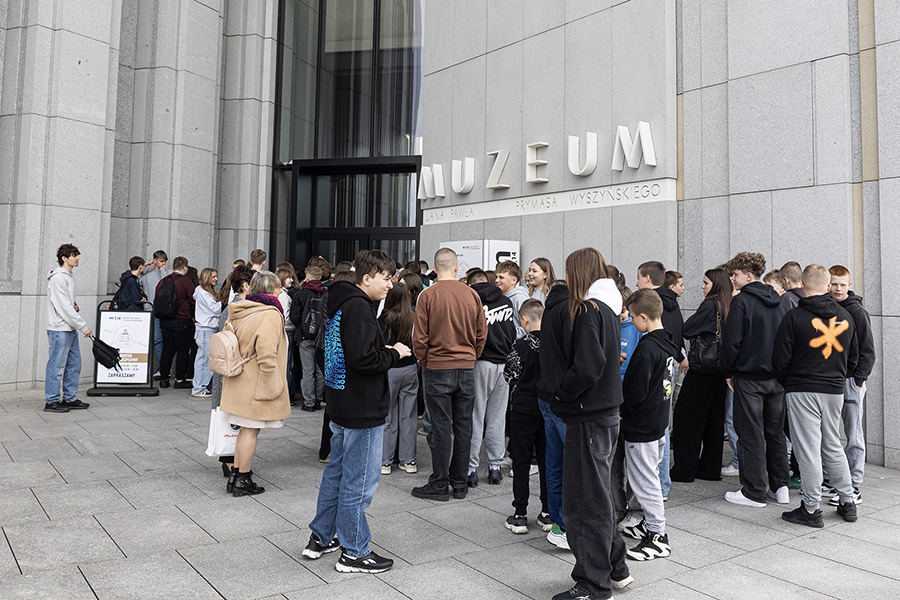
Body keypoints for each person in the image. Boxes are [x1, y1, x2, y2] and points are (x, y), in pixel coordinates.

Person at [304, 250, 410, 574]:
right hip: (361, 408)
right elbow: (364, 359)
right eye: (386, 278)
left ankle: (321, 537)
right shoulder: (360, 308)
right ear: (367, 278)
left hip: (341, 404)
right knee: (358, 481)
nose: (390, 285)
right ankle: (354, 551)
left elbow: (337, 352)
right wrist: (394, 353)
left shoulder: (338, 301)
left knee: (337, 474)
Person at [551, 248, 632, 600]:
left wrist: (561, 392)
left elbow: (588, 366)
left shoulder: (587, 309)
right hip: (605, 412)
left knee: (585, 502)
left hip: (589, 414)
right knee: (598, 495)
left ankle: (592, 583)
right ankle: (616, 568)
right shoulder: (609, 308)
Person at [774, 264, 859, 527]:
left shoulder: (793, 317)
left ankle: (811, 509)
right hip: (834, 390)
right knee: (833, 444)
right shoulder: (846, 317)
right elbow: (853, 359)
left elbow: (780, 360)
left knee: (808, 449)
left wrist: (789, 381)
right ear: (828, 286)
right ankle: (848, 502)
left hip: (802, 389)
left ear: (802, 285)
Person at [411, 248, 487, 501]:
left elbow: (419, 337)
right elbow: (481, 333)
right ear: (457, 267)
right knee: (464, 426)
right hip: (466, 367)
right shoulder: (472, 294)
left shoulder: (427, 295)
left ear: (435, 268)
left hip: (437, 366)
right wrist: (471, 356)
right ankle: (460, 482)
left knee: (440, 427)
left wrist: (424, 361)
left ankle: (440, 483)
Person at [720, 251, 790, 508]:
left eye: (735, 274)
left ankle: (754, 491)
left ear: (748, 275)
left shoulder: (741, 302)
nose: (732, 279)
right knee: (775, 432)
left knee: (750, 433)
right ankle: (780, 487)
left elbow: (731, 342)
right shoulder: (779, 300)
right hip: (776, 378)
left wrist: (727, 372)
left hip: (750, 378)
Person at [219, 270, 290, 497]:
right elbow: (267, 353)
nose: (281, 292)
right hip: (256, 382)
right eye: (278, 288)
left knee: (244, 430)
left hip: (239, 381)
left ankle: (235, 476)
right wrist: (272, 383)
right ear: (270, 289)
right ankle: (243, 480)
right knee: (251, 430)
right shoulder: (269, 314)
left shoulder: (241, 309)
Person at [620, 289, 678, 560]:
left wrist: (623, 411)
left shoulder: (647, 347)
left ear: (644, 316)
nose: (632, 321)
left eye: (633, 317)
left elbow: (635, 390)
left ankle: (658, 536)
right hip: (658, 421)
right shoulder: (668, 342)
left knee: (645, 482)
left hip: (642, 426)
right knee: (649, 476)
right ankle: (648, 526)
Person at [670, 269, 732, 482]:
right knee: (714, 420)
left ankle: (684, 469)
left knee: (686, 418)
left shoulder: (710, 305)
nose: (702, 286)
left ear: (716, 284)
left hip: (702, 369)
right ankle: (710, 469)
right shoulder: (729, 304)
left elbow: (687, 329)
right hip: (720, 370)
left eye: (706, 283)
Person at [825, 265, 875, 505]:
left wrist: (858, 380)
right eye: (834, 284)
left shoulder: (857, 312)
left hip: (851, 380)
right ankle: (832, 480)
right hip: (831, 379)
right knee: (829, 432)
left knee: (853, 434)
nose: (838, 289)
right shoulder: (827, 308)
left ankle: (854, 486)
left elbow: (868, 350)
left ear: (849, 285)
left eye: (842, 284)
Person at [635, 261, 683, 501]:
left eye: (638, 278)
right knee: (663, 425)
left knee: (652, 439)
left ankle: (656, 490)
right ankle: (662, 486)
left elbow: (638, 388)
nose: (636, 283)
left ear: (647, 278)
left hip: (652, 375)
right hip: (668, 370)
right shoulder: (672, 305)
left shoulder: (650, 305)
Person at [503, 299, 551, 534]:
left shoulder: (520, 345)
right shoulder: (554, 344)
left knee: (521, 462)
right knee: (547, 461)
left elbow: (509, 375)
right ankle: (548, 511)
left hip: (523, 408)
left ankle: (520, 513)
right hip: (547, 408)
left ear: (524, 319)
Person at [467, 269, 516, 487]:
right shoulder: (505, 301)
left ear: (471, 285)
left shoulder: (471, 301)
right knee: (497, 417)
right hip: (503, 364)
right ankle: (495, 466)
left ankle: (471, 468)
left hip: (481, 362)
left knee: (475, 415)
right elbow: (512, 332)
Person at [211, 265, 253, 485]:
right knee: (231, 416)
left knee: (236, 416)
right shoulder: (234, 308)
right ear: (245, 285)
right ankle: (230, 461)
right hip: (231, 369)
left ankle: (236, 461)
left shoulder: (239, 306)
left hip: (234, 368)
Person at [44, 244, 93, 413]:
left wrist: (74, 307)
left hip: (68, 328)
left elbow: (66, 304)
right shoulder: (58, 278)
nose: (77, 258)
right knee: (56, 366)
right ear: (64, 258)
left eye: (77, 255)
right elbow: (63, 307)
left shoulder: (68, 276)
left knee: (73, 364)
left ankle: (69, 398)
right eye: (74, 255)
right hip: (59, 329)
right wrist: (83, 326)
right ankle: (51, 401)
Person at [379, 281, 419, 475]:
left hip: (390, 368)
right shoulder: (414, 316)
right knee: (408, 416)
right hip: (410, 368)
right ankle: (408, 460)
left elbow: (378, 342)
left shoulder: (385, 317)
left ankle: (385, 462)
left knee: (388, 415)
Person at [156, 256, 195, 389]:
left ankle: (164, 379)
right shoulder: (186, 281)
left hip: (164, 320)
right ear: (184, 268)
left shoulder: (163, 281)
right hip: (182, 320)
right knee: (182, 351)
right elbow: (193, 299)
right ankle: (179, 380)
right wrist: (193, 316)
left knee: (167, 349)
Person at [292, 264, 328, 411]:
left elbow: (294, 317)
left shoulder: (300, 294)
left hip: (305, 336)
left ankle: (309, 403)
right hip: (322, 336)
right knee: (320, 371)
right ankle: (318, 400)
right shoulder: (327, 293)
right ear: (320, 277)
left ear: (307, 277)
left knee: (307, 371)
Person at [192, 268, 222, 398]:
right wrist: (224, 302)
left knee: (204, 359)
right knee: (203, 360)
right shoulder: (203, 293)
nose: (216, 279)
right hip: (205, 329)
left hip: (206, 329)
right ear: (207, 277)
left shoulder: (204, 292)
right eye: (213, 277)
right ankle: (199, 388)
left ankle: (201, 386)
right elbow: (215, 310)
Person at [140, 250, 169, 373]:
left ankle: (163, 369)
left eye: (164, 261)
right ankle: (159, 369)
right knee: (155, 340)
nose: (163, 263)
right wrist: (146, 267)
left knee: (163, 340)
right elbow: (136, 280)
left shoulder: (167, 273)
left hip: (165, 311)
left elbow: (167, 284)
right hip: (150, 310)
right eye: (161, 261)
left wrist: (162, 270)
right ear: (155, 260)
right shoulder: (147, 275)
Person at [275, 265, 296, 401]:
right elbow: (285, 317)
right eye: (289, 278)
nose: (292, 280)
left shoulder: (282, 294)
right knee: (287, 364)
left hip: (284, 330)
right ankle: (285, 395)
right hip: (287, 330)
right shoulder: (283, 296)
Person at [495, 260, 529, 338]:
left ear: (514, 280)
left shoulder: (519, 298)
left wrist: (508, 335)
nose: (496, 280)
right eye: (496, 277)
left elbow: (529, 326)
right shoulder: (500, 298)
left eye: (501, 277)